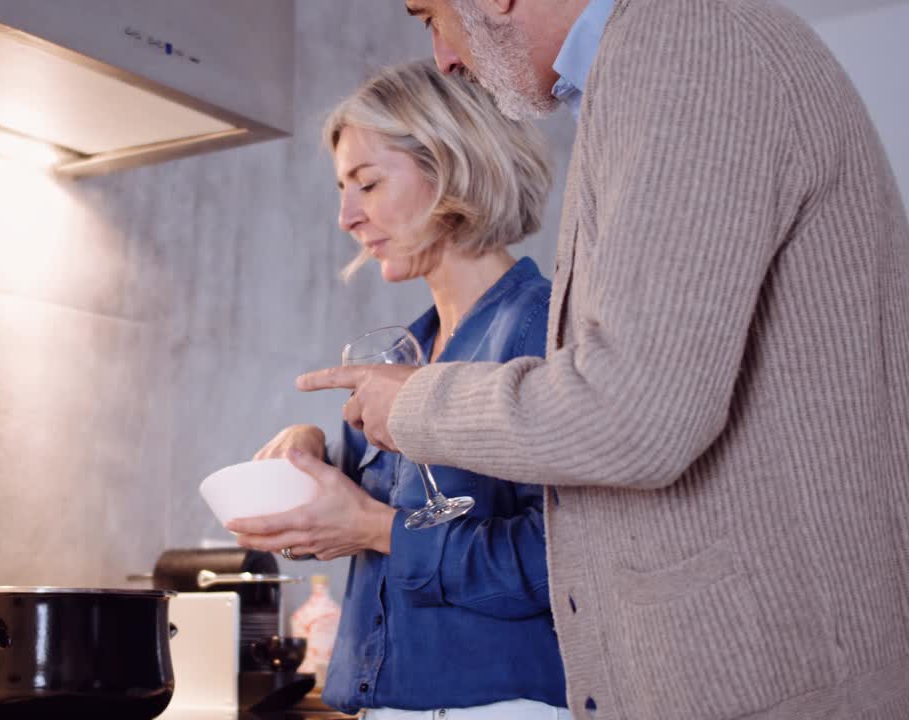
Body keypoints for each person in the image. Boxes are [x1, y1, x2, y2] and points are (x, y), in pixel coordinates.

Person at [289, 1, 909, 719]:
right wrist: (315, 463)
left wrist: (403, 442)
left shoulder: (688, 41)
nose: (446, 57)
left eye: (433, 14)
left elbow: (632, 417)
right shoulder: (649, 64)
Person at [229, 60, 570, 719]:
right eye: (342, 189)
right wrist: (313, 464)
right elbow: (380, 525)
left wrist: (376, 527)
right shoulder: (403, 352)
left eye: (367, 183)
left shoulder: (541, 334)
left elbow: (561, 561)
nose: (346, 217)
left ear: (453, 167)